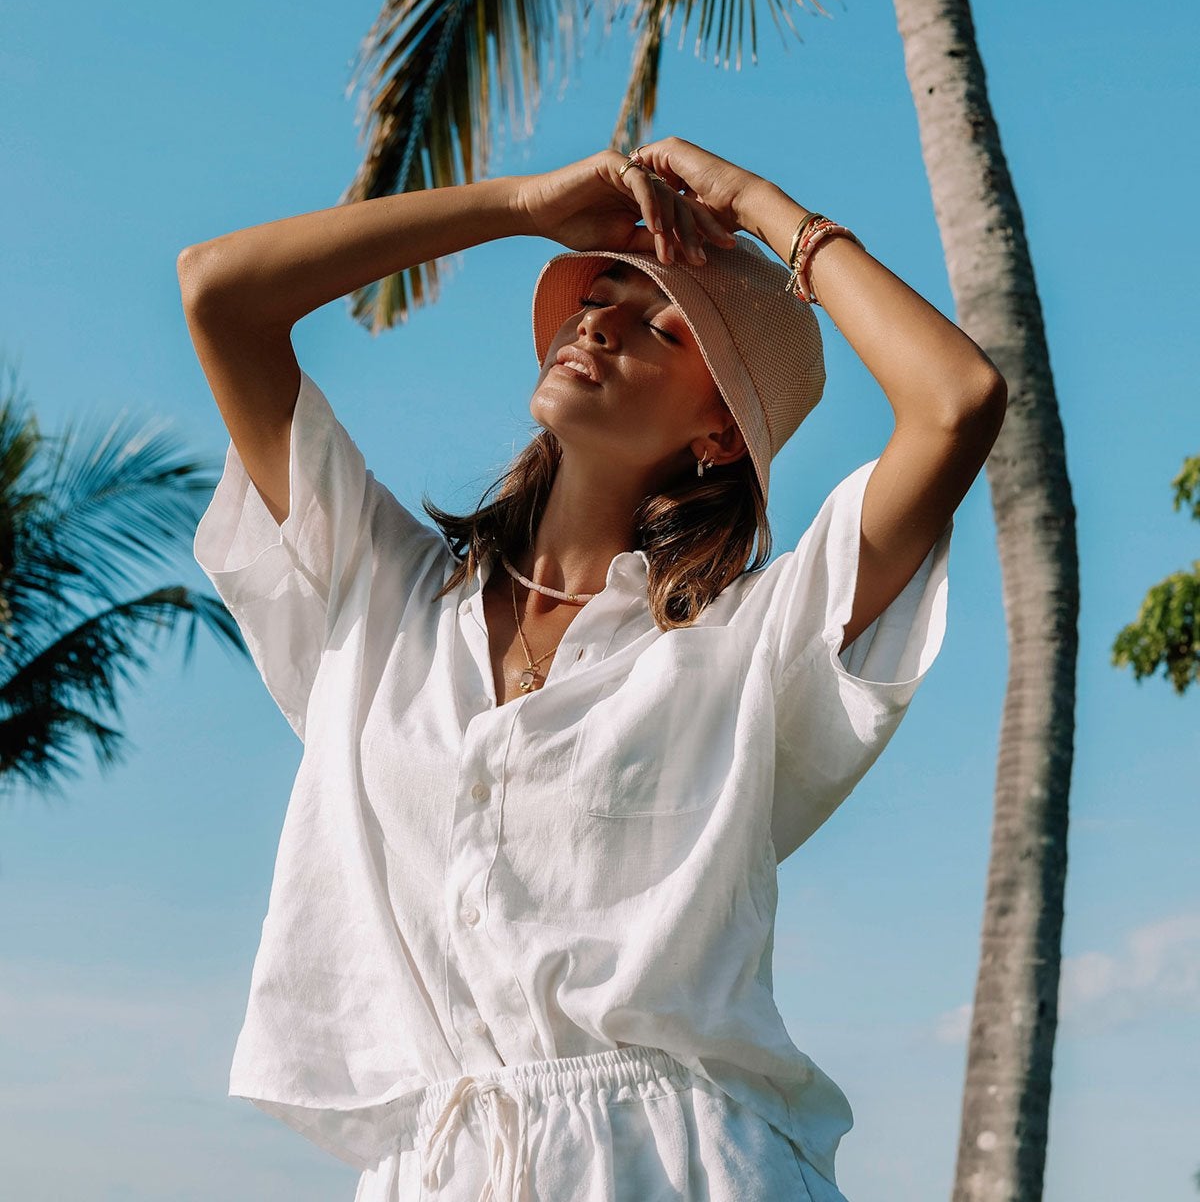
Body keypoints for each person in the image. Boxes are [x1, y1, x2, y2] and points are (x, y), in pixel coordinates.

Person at [180, 136, 1007, 1202]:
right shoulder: (379, 591)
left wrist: (763, 204)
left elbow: (958, 400)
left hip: (681, 1166)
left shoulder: (749, 640)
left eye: (665, 326)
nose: (603, 319)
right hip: (442, 1168)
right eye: (599, 294)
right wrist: (524, 205)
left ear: (718, 429)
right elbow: (218, 293)